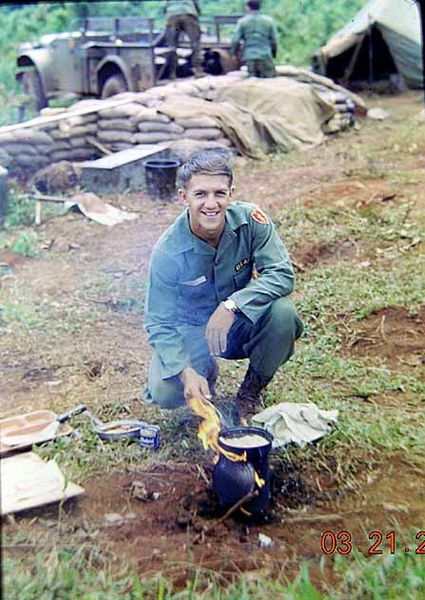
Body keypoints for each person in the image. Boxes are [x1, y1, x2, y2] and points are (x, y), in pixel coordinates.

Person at [143, 150, 303, 422]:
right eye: (200, 194)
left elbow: (281, 273)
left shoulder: (251, 221)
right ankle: (204, 374)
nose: (211, 203)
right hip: (192, 332)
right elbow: (158, 322)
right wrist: (186, 371)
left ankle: (250, 393)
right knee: (164, 390)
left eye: (219, 193)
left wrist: (233, 305)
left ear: (231, 194)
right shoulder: (168, 250)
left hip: (238, 323)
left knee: (282, 314)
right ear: (184, 197)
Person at [231, 0, 278, 78]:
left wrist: (233, 54)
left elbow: (235, 40)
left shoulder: (242, 22)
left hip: (250, 56)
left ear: (248, 8)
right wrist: (273, 54)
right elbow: (274, 41)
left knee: (252, 84)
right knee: (269, 83)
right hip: (265, 55)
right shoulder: (269, 21)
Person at [164, 0, 202, 79]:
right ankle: (198, 71)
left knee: (172, 46)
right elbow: (197, 4)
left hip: (172, 14)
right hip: (188, 12)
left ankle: (172, 73)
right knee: (195, 43)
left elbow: (164, 7)